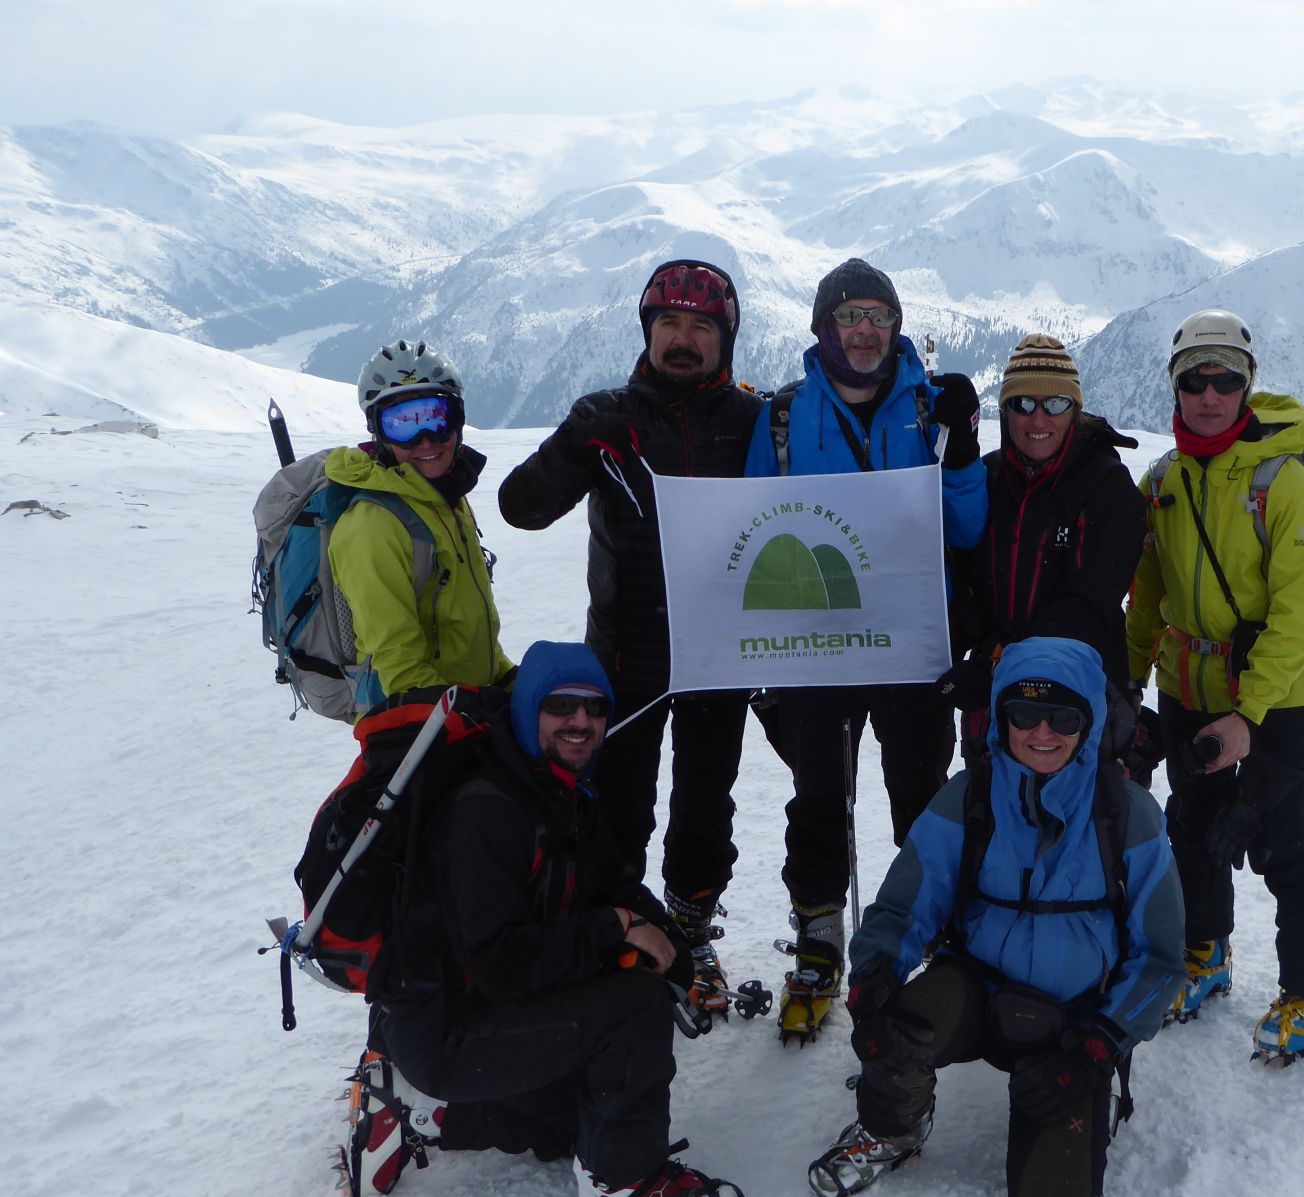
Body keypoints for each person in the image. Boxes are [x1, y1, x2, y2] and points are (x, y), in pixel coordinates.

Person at [344, 640, 749, 1197]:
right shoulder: (487, 810)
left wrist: (671, 951)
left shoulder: (559, 792)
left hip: (474, 1018)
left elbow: (611, 882)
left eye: (594, 709)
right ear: (530, 709)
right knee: (632, 1005)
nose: (580, 722)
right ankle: (623, 1184)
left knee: (578, 1123)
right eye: (561, 705)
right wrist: (615, 929)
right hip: (448, 1027)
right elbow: (501, 965)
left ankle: (423, 1109)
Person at [806, 637, 1183, 1197]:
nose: (1042, 732)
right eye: (1023, 713)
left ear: (1089, 720)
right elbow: (905, 904)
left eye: (1064, 716)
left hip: (1074, 1020)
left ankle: (1087, 1099)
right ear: (1000, 717)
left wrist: (1098, 1048)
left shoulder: (1127, 813)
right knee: (901, 1025)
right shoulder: (970, 796)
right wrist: (872, 980)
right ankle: (892, 1128)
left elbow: (1161, 960)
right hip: (977, 987)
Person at [498, 261, 763, 1016]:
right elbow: (520, 507)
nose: (683, 340)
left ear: (726, 339)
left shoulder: (753, 423)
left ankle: (689, 928)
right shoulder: (607, 416)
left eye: (701, 327)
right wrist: (576, 443)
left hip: (720, 654)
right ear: (647, 332)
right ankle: (624, 932)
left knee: (706, 807)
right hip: (626, 656)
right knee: (615, 813)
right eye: (669, 324)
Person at [741, 256, 988, 1042]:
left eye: (878, 316)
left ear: (897, 327)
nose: (864, 330)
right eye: (849, 316)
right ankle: (821, 942)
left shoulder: (931, 409)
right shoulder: (782, 418)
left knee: (919, 796)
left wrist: (963, 447)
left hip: (913, 644)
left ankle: (927, 927)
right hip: (817, 647)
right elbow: (755, 535)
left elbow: (968, 529)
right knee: (820, 796)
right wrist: (762, 662)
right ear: (824, 328)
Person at [1124, 308, 1304, 1062]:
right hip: (1187, 684)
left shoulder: (1286, 485)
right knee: (1191, 827)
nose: (1211, 394)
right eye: (1196, 379)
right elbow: (1148, 598)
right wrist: (1126, 686)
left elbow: (1295, 617)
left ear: (1247, 386)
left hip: (1278, 698)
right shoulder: (1163, 480)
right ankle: (1204, 954)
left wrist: (1249, 714)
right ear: (1177, 386)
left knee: (1280, 840)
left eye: (1227, 380)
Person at [938, 334, 1144, 767]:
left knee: (1082, 824)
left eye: (1054, 404)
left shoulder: (1106, 485)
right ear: (1005, 410)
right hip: (996, 707)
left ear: (1075, 410)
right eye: (1021, 403)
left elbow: (1088, 603)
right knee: (992, 819)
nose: (1038, 418)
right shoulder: (989, 478)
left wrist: (996, 660)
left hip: (1081, 698)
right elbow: (969, 572)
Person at [327, 340, 512, 710]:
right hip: (413, 727)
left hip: (464, 707)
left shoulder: (444, 501)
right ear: (378, 433)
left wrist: (506, 679)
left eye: (436, 418)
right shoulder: (372, 527)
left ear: (458, 420)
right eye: (402, 425)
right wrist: (487, 714)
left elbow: (463, 630)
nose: (425, 439)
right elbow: (403, 672)